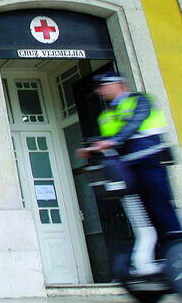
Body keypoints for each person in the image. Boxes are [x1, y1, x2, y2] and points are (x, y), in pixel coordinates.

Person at [77, 72, 181, 264]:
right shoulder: (106, 116)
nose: (101, 90)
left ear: (119, 84)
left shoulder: (140, 101)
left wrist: (112, 141)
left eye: (104, 85)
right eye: (99, 87)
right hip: (127, 169)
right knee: (144, 214)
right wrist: (93, 149)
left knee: (160, 206)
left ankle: (175, 245)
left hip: (150, 161)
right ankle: (158, 257)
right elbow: (108, 143)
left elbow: (134, 123)